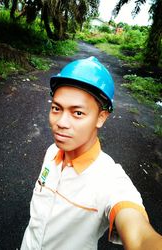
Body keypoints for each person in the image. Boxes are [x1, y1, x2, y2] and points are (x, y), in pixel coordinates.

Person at [21, 57, 162, 250]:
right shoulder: (52, 152)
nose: (61, 122)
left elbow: (140, 237)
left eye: (77, 113)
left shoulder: (110, 181)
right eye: (56, 108)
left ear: (101, 117)